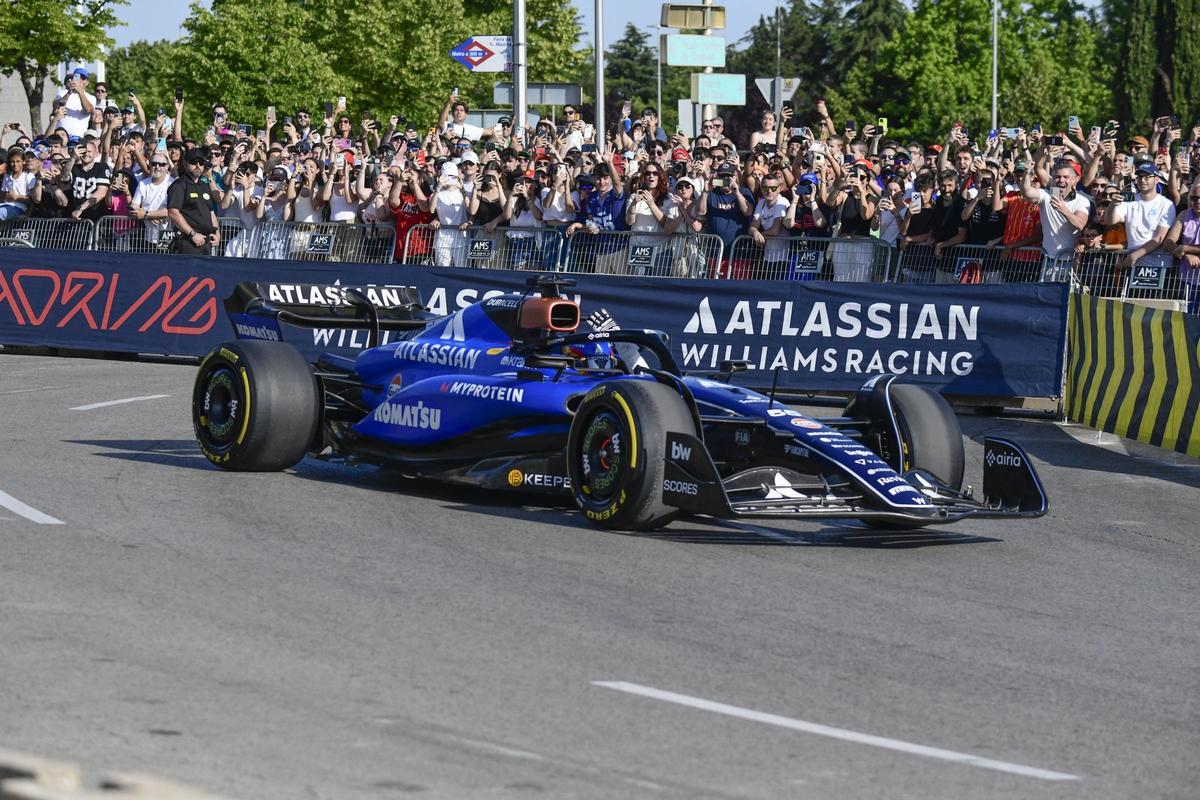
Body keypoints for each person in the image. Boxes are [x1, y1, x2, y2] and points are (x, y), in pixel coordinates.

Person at [1102, 162, 1176, 278]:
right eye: (1139, 177)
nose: (1142, 180)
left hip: (1158, 265)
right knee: (1130, 296)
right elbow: (1110, 221)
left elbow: (1159, 237)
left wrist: (1135, 255)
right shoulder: (1129, 200)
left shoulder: (1166, 204)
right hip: (1133, 264)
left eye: (1147, 177)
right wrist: (1113, 204)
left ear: (1156, 179)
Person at [701, 162, 754, 278]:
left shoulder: (744, 192)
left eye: (729, 176)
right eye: (722, 176)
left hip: (740, 253)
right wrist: (705, 192)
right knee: (716, 289)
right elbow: (700, 212)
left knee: (739, 288)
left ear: (735, 177)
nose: (726, 179)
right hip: (716, 253)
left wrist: (737, 193)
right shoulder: (711, 193)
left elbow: (748, 211)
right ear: (717, 177)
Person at [166, 148, 220, 255]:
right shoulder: (179, 185)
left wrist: (217, 233)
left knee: (205, 272)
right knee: (186, 272)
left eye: (201, 162)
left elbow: (211, 212)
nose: (198, 165)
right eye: (193, 162)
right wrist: (193, 234)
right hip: (187, 241)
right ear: (185, 163)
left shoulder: (204, 185)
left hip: (206, 242)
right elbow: (173, 212)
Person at [1163, 183, 1200, 314]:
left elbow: (1183, 247)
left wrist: (1185, 248)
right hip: (1188, 280)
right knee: (1188, 321)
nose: (1197, 201)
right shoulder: (1184, 215)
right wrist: (1185, 254)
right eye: (1194, 198)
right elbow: (1168, 242)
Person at [748, 174, 791, 279]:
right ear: (761, 189)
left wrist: (759, 234)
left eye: (773, 188)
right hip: (767, 256)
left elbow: (775, 231)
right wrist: (755, 233)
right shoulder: (761, 203)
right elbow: (753, 226)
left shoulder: (782, 202)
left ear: (779, 189)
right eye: (765, 188)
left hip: (783, 257)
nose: (769, 191)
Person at [429, 161, 469, 266]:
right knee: (443, 268)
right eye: (447, 176)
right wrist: (438, 188)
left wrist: (462, 190)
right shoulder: (437, 193)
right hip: (442, 237)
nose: (450, 179)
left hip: (461, 237)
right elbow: (432, 209)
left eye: (453, 176)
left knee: (461, 269)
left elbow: (470, 210)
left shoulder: (462, 193)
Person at [131, 153, 174, 247]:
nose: (157, 167)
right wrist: (148, 215)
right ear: (149, 165)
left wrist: (148, 214)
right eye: (154, 164)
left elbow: (172, 210)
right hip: (146, 236)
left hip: (168, 235)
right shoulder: (143, 184)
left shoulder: (173, 183)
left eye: (161, 164)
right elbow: (134, 206)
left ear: (167, 167)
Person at [67, 138, 111, 222]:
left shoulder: (101, 167)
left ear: (96, 153)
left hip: (97, 219)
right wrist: (73, 158)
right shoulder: (74, 168)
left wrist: (80, 209)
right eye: (83, 151)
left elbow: (101, 192)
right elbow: (63, 177)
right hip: (76, 219)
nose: (86, 154)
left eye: (89, 151)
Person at [53, 68, 96, 138]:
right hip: (61, 136)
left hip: (79, 136)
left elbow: (88, 109)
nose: (80, 81)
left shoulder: (91, 98)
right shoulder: (62, 93)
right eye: (77, 77)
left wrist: (80, 92)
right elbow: (57, 106)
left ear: (87, 82)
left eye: (83, 78)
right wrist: (69, 92)